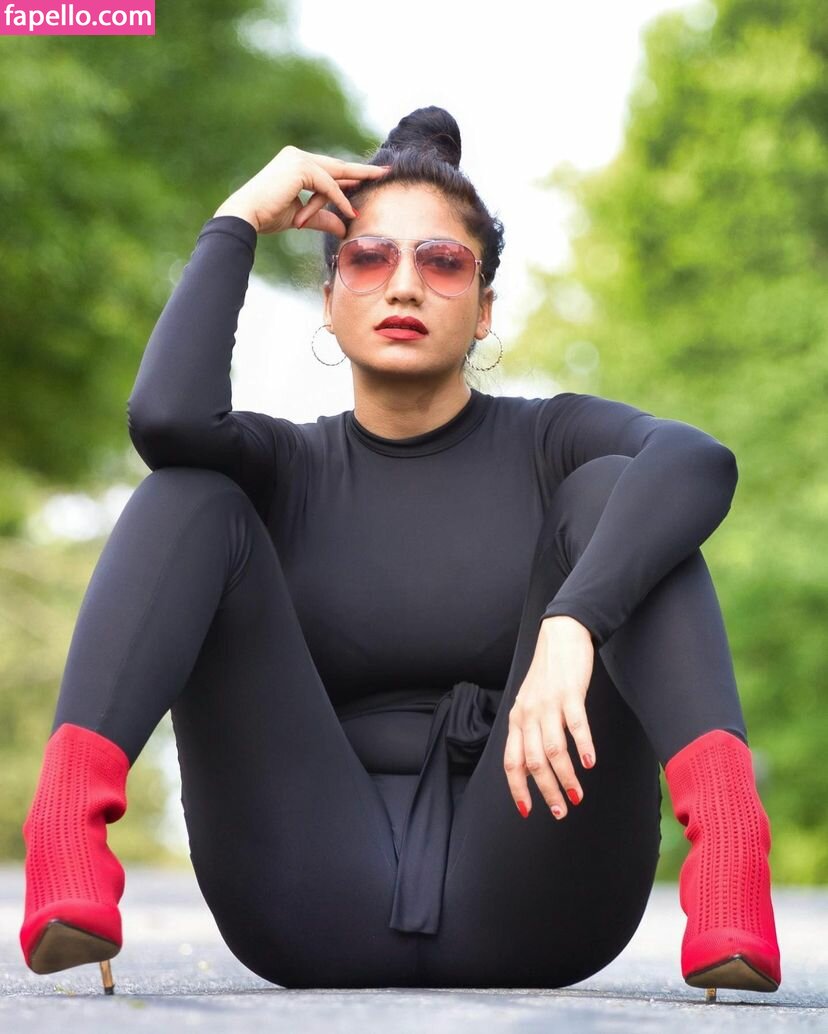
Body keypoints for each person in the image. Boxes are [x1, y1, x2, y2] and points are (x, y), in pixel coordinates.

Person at [19, 105, 782, 996]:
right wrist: (240, 218)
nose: (405, 286)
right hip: (303, 892)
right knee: (189, 492)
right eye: (369, 258)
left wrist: (576, 620)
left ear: (485, 309)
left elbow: (698, 461)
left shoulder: (551, 442)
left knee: (623, 494)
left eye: (443, 261)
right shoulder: (283, 468)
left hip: (543, 884)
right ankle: (64, 834)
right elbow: (166, 420)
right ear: (330, 296)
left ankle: (731, 853)